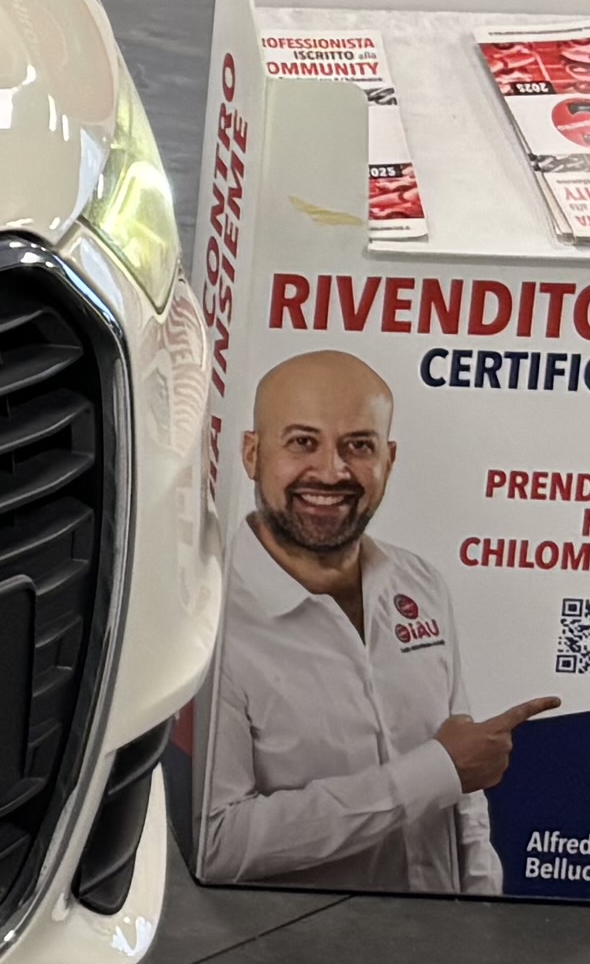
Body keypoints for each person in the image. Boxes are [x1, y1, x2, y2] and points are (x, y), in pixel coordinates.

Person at [190, 347, 531, 894]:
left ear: (389, 460)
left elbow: (463, 784)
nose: (331, 470)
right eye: (303, 442)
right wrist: (433, 773)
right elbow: (217, 844)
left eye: (359, 445)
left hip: (445, 930)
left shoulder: (421, 584)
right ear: (252, 454)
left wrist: (481, 901)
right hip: (294, 940)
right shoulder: (209, 614)